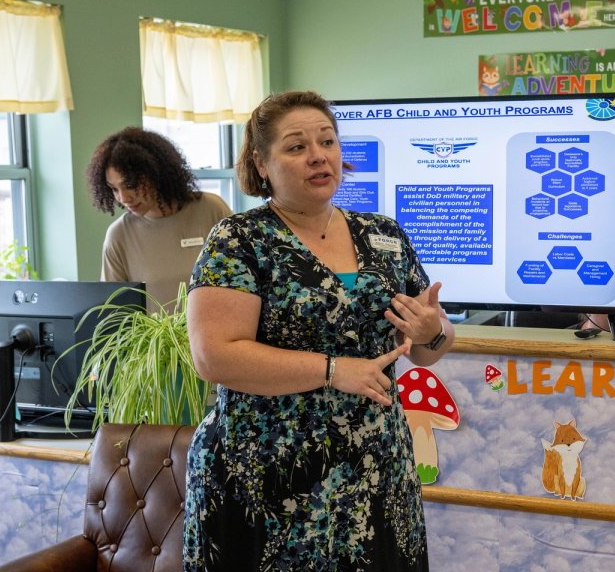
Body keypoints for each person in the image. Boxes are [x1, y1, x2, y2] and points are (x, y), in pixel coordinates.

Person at [183, 90, 454, 571]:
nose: (317, 156)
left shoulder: (383, 235)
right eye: (296, 146)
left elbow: (430, 347)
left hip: (376, 473)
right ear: (261, 164)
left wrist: (433, 330)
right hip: (268, 478)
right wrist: (333, 371)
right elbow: (215, 357)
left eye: (327, 141)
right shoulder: (240, 240)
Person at [85, 127, 231, 310]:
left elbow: (243, 282)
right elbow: (114, 314)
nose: (123, 198)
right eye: (114, 189)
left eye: (130, 185)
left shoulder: (212, 210)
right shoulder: (119, 235)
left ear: (156, 173)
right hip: (150, 340)